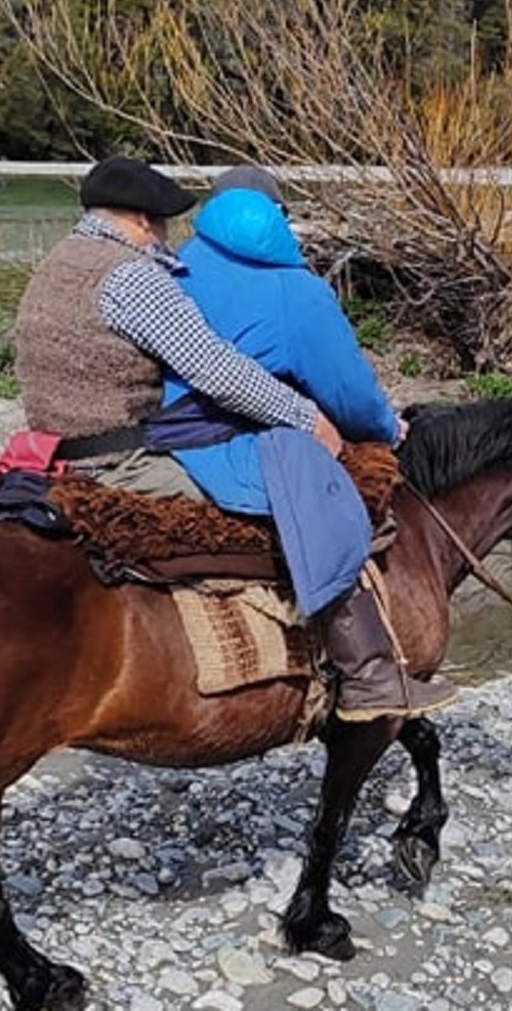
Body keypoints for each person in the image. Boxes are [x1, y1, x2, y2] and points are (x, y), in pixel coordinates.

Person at [162, 166, 457, 721]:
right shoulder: (293, 289)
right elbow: (348, 393)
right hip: (226, 449)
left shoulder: (171, 265)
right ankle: (366, 672)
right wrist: (389, 428)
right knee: (333, 506)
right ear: (279, 219)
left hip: (153, 437)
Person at [13, 156, 343, 501]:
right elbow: (215, 368)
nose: (166, 237)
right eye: (164, 225)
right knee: (282, 496)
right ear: (143, 220)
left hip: (53, 450)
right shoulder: (133, 276)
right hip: (121, 463)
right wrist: (307, 418)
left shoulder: (57, 260)